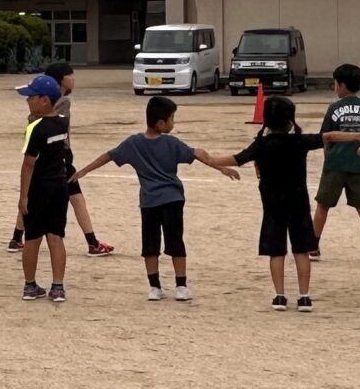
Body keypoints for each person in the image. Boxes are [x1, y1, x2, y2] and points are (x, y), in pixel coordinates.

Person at [74, 94, 238, 302]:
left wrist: (84, 171)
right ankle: (181, 286)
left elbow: (108, 156)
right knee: (175, 241)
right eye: (172, 119)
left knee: (150, 244)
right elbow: (199, 155)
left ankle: (154, 287)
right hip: (172, 199)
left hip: (149, 201)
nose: (173, 123)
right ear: (161, 123)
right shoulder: (171, 143)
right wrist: (222, 168)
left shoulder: (133, 143)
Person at [7, 62, 114, 256]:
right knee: (75, 199)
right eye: (69, 75)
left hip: (50, 157)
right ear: (60, 80)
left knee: (32, 195)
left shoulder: (52, 101)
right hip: (59, 157)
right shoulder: (61, 101)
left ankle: (16, 237)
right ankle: (92, 242)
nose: (73, 79)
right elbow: (54, 126)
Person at [233, 92, 322, 311]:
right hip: (299, 203)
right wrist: (359, 135)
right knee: (301, 251)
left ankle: (280, 296)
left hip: (272, 205)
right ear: (290, 119)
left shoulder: (261, 144)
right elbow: (328, 137)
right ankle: (304, 297)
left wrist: (208, 161)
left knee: (276, 251)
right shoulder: (300, 141)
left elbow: (236, 159)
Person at [11, 73, 76, 302]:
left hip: (39, 187)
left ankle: (30, 285)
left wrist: (23, 196)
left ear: (44, 100)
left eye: (32, 97)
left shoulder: (35, 128)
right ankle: (57, 286)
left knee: (33, 237)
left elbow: (28, 163)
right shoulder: (62, 122)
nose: (28, 101)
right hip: (59, 185)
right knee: (56, 236)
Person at [312, 64, 360, 264]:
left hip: (335, 164)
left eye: (335, 83)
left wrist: (329, 156)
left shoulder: (334, 108)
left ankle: (313, 245)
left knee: (322, 206)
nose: (335, 87)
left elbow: (324, 137)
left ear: (341, 85)